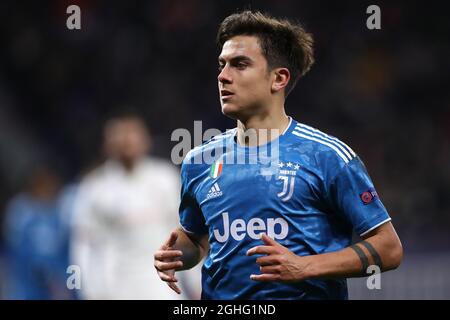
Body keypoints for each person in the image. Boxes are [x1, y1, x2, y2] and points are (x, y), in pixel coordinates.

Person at [154, 11, 403, 300]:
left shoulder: (326, 156)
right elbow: (196, 240)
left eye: (240, 64)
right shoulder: (199, 160)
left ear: (278, 78)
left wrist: (304, 266)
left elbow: (389, 248)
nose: (223, 76)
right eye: (222, 65)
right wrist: (177, 255)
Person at [71, 113, 200, 299]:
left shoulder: (165, 179)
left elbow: (187, 233)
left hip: (163, 288)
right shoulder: (94, 189)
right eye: (119, 135)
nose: (126, 141)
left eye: (132, 134)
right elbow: (84, 246)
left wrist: (196, 283)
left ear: (146, 140)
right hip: (117, 289)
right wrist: (90, 291)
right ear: (107, 144)